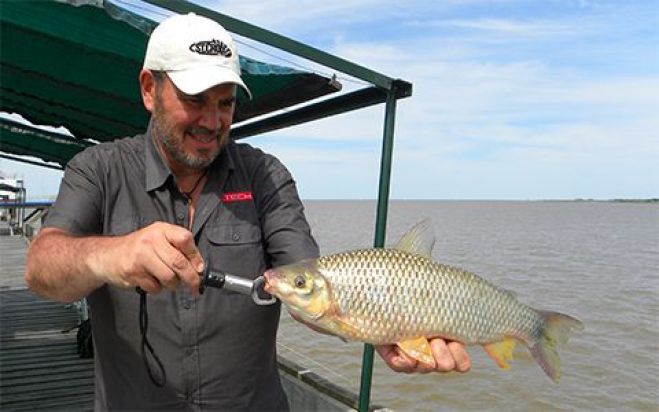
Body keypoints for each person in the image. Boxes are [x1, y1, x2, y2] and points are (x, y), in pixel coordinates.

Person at [25, 12, 470, 411]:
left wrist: (389, 326)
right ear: (149, 89)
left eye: (226, 103)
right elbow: (42, 268)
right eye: (195, 99)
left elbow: (306, 281)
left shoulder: (265, 175)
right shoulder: (98, 169)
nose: (213, 121)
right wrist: (110, 256)